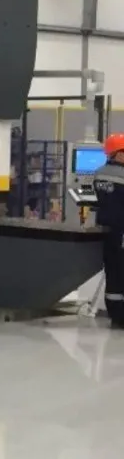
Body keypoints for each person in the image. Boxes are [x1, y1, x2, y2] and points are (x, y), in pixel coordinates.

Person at [93, 133, 124, 329]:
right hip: (122, 229)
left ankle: (116, 314)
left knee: (113, 272)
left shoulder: (99, 173)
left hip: (106, 229)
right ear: (118, 154)